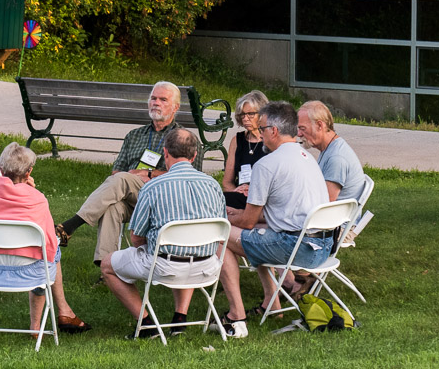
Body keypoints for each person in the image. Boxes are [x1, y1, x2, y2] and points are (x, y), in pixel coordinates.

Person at [55, 82, 203, 268]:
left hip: (165, 198)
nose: (156, 102)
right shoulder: (134, 135)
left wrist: (149, 174)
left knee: (121, 185)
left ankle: (70, 226)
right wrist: (133, 178)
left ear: (175, 107)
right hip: (134, 196)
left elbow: (191, 177)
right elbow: (116, 171)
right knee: (113, 205)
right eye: (153, 98)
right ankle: (107, 268)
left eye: (163, 99)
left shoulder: (184, 138)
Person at [218, 102, 332, 338]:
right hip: (323, 247)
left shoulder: (267, 164)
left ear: (274, 131)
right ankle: (273, 303)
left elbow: (247, 221)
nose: (260, 134)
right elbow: (268, 217)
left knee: (219, 235)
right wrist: (239, 216)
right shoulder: (308, 157)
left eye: (262, 128)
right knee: (256, 236)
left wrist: (226, 215)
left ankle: (235, 316)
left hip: (296, 248)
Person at [100, 129, 226, 339]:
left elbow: (136, 238)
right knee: (189, 246)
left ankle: (146, 324)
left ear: (165, 153)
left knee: (107, 265)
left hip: (165, 266)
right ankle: (180, 318)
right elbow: (221, 232)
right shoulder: (213, 185)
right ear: (194, 156)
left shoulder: (153, 186)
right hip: (208, 267)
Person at [0, 142, 90, 334]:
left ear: (0, 169)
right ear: (29, 172)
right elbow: (47, 244)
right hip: (31, 275)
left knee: (48, 251)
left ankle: (61, 313)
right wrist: (29, 190)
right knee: (52, 249)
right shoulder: (37, 200)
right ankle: (38, 325)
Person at [297, 100, 365, 202]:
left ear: (320, 125)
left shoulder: (336, 158)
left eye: (303, 128)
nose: (299, 134)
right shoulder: (330, 148)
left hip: (331, 217)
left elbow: (325, 203)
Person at [222, 90, 270, 209]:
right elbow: (227, 182)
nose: (245, 118)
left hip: (264, 199)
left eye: (250, 114)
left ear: (262, 115)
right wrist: (237, 191)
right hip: (240, 195)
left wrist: (252, 191)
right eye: (242, 114)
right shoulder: (237, 141)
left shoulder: (271, 141)